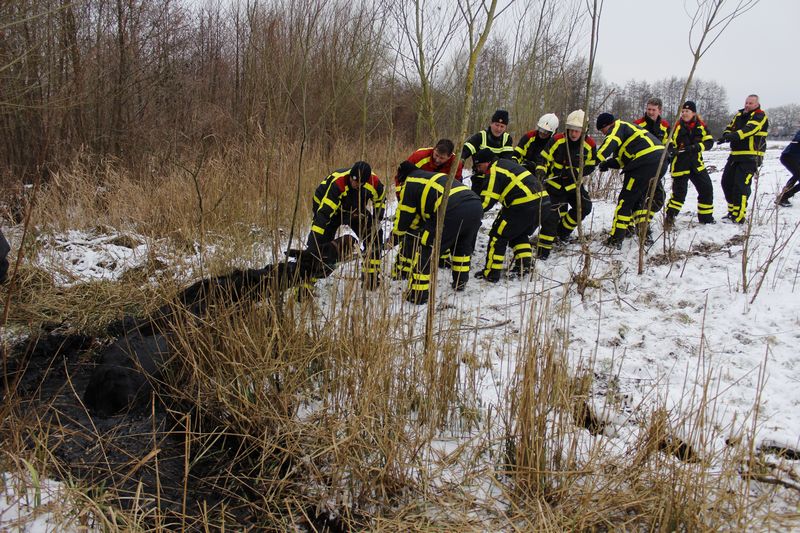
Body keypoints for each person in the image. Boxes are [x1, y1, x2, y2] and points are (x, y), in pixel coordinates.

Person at [393, 162, 483, 304]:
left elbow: (405, 216)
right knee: (461, 245)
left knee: (426, 248)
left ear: (402, 177)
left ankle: (418, 294)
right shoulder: (430, 176)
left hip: (451, 209)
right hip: (475, 206)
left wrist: (395, 237)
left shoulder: (410, 183)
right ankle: (460, 282)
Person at [303, 161, 386, 297]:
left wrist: (377, 219)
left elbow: (380, 201)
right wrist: (315, 239)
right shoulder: (338, 184)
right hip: (329, 209)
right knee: (319, 244)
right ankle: (305, 286)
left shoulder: (374, 183)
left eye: (358, 182)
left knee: (375, 236)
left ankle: (371, 277)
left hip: (355, 210)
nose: (354, 184)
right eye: (353, 180)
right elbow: (323, 214)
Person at [470, 148, 550, 280]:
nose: (479, 170)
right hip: (543, 203)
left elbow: (487, 200)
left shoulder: (494, 170)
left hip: (524, 205)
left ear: (487, 162)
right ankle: (524, 266)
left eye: (479, 166)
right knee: (518, 234)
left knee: (497, 236)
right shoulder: (505, 164)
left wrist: (471, 213)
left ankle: (491, 273)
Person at [392, 139, 464, 280]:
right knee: (411, 232)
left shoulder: (456, 164)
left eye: (442, 158)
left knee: (438, 230)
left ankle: (441, 258)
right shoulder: (419, 156)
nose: (437, 160)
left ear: (450, 156)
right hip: (414, 198)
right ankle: (402, 269)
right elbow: (401, 176)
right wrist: (403, 199)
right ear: (434, 149)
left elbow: (454, 186)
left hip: (437, 202)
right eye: (436, 155)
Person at [595, 112, 667, 248]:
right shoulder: (629, 133)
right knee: (640, 201)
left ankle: (615, 240)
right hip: (660, 160)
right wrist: (607, 164)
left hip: (643, 163)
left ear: (607, 125)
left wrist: (593, 160)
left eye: (602, 130)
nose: (604, 134)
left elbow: (609, 143)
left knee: (626, 201)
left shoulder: (617, 127)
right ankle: (644, 234)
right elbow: (623, 160)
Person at [534, 109, 597, 259]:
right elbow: (543, 159)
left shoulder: (589, 145)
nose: (573, 134)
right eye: (571, 130)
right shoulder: (557, 140)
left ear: (584, 130)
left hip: (574, 186)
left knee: (585, 207)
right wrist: (541, 172)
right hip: (555, 186)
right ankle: (542, 252)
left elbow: (591, 165)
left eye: (577, 131)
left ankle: (562, 232)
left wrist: (577, 173)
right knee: (551, 218)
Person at [717, 94, 769, 223]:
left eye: (751, 103)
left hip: (751, 155)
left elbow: (749, 130)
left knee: (741, 185)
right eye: (746, 102)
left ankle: (739, 216)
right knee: (726, 182)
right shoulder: (739, 115)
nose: (747, 105)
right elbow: (729, 128)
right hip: (735, 155)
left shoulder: (760, 115)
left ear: (757, 104)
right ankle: (732, 211)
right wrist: (726, 135)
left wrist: (731, 136)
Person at [664, 101, 715, 227]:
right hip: (680, 165)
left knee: (706, 189)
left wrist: (696, 147)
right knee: (679, 194)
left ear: (693, 113)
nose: (684, 113)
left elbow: (709, 142)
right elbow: (668, 141)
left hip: (696, 164)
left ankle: (706, 218)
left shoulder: (701, 126)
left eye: (687, 111)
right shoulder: (676, 127)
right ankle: (669, 218)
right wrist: (671, 149)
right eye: (683, 111)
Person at [632, 97, 669, 239]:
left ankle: (643, 219)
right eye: (649, 109)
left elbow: (669, 144)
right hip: (639, 168)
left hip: (656, 168)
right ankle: (642, 229)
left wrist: (669, 155)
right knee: (638, 198)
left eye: (653, 110)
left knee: (659, 198)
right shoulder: (638, 124)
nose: (650, 112)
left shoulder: (664, 126)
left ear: (660, 111)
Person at [461, 109, 514, 195]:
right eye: (497, 125)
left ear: (505, 127)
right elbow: (465, 150)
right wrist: (461, 161)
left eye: (502, 126)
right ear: (491, 123)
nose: (499, 129)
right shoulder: (480, 136)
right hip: (480, 177)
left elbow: (507, 160)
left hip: (497, 178)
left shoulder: (507, 139)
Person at [776, 128, 800, 207]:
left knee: (797, 175)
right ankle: (783, 197)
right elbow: (798, 138)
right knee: (797, 175)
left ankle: (783, 195)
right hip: (789, 157)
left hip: (794, 158)